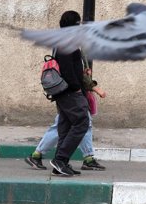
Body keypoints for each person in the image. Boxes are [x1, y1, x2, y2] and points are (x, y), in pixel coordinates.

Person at [42, 10, 93, 177]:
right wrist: (77, 88)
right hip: (70, 92)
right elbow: (67, 69)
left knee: (65, 127)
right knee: (81, 122)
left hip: (63, 93)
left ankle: (60, 164)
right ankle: (61, 159)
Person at [26, 66, 107, 171]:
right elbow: (75, 73)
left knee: (68, 125)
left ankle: (87, 158)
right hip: (71, 96)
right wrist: (95, 88)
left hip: (69, 94)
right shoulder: (73, 50)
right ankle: (84, 159)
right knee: (78, 124)